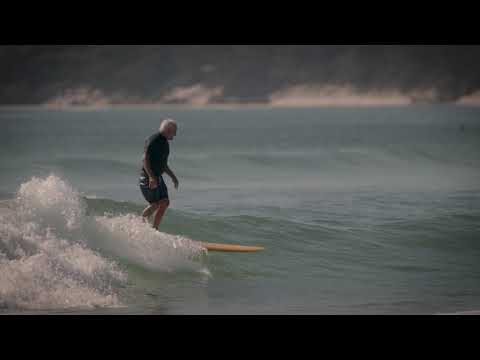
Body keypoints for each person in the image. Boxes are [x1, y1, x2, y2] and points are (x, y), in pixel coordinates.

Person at [139, 119, 179, 230]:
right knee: (155, 204)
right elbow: (144, 159)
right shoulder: (153, 140)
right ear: (168, 130)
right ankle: (139, 223)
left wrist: (173, 177)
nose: (175, 134)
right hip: (147, 177)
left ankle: (155, 229)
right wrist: (151, 177)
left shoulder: (165, 143)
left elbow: (164, 165)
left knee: (165, 202)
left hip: (157, 177)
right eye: (174, 131)